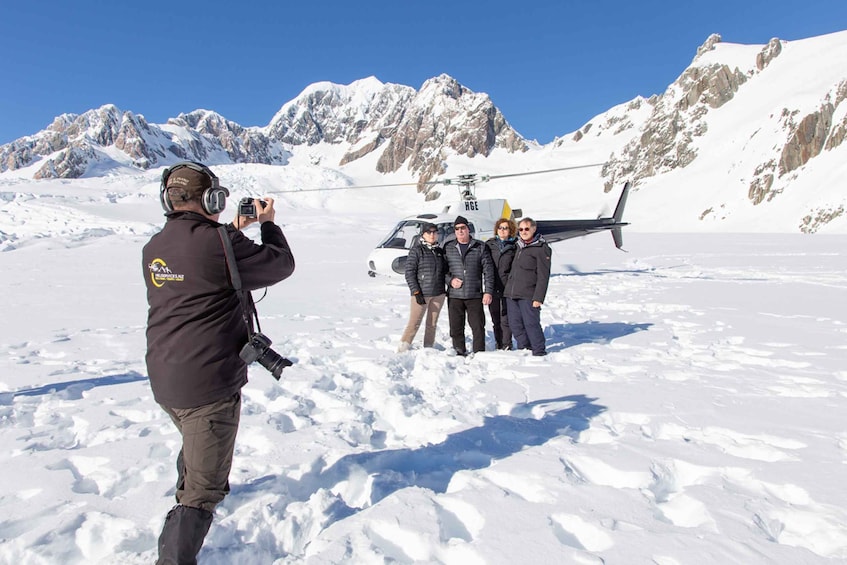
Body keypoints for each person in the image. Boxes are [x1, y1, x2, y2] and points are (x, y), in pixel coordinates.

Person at [142, 161, 295, 564]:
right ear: (214, 199)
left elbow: (203, 264)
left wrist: (232, 232)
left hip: (166, 377)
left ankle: (187, 490)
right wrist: (268, 224)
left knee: (195, 448)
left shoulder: (155, 248)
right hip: (208, 383)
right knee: (203, 491)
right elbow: (280, 264)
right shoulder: (219, 242)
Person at [444, 215, 495, 355]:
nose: (460, 231)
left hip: (474, 294)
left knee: (478, 326)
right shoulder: (449, 248)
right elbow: (443, 271)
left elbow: (488, 271)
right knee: (456, 327)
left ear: (468, 229)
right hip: (455, 295)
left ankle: (479, 353)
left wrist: (488, 291)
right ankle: (459, 351)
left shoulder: (480, 246)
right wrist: (450, 280)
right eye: (457, 229)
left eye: (463, 228)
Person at [504, 217, 552, 356]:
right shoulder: (518, 246)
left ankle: (539, 351)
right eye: (521, 229)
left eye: (526, 229)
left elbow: (544, 276)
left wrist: (538, 297)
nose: (524, 232)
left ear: (534, 229)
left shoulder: (541, 248)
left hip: (529, 294)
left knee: (531, 324)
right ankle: (524, 348)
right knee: (515, 325)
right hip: (512, 293)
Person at [398, 222, 448, 352]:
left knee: (432, 323)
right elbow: (409, 273)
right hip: (421, 294)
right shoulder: (417, 250)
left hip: (438, 293)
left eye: (434, 232)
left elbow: (445, 272)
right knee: (414, 323)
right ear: (423, 235)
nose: (432, 235)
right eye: (429, 232)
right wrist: (415, 291)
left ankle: (428, 348)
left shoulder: (440, 251)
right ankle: (403, 348)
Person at [485, 218, 517, 350]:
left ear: (510, 230)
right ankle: (498, 342)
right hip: (492, 286)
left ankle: (507, 344)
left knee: (506, 319)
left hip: (507, 286)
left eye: (505, 228)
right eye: (500, 228)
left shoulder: (515, 246)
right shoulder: (489, 244)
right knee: (495, 318)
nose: (503, 230)